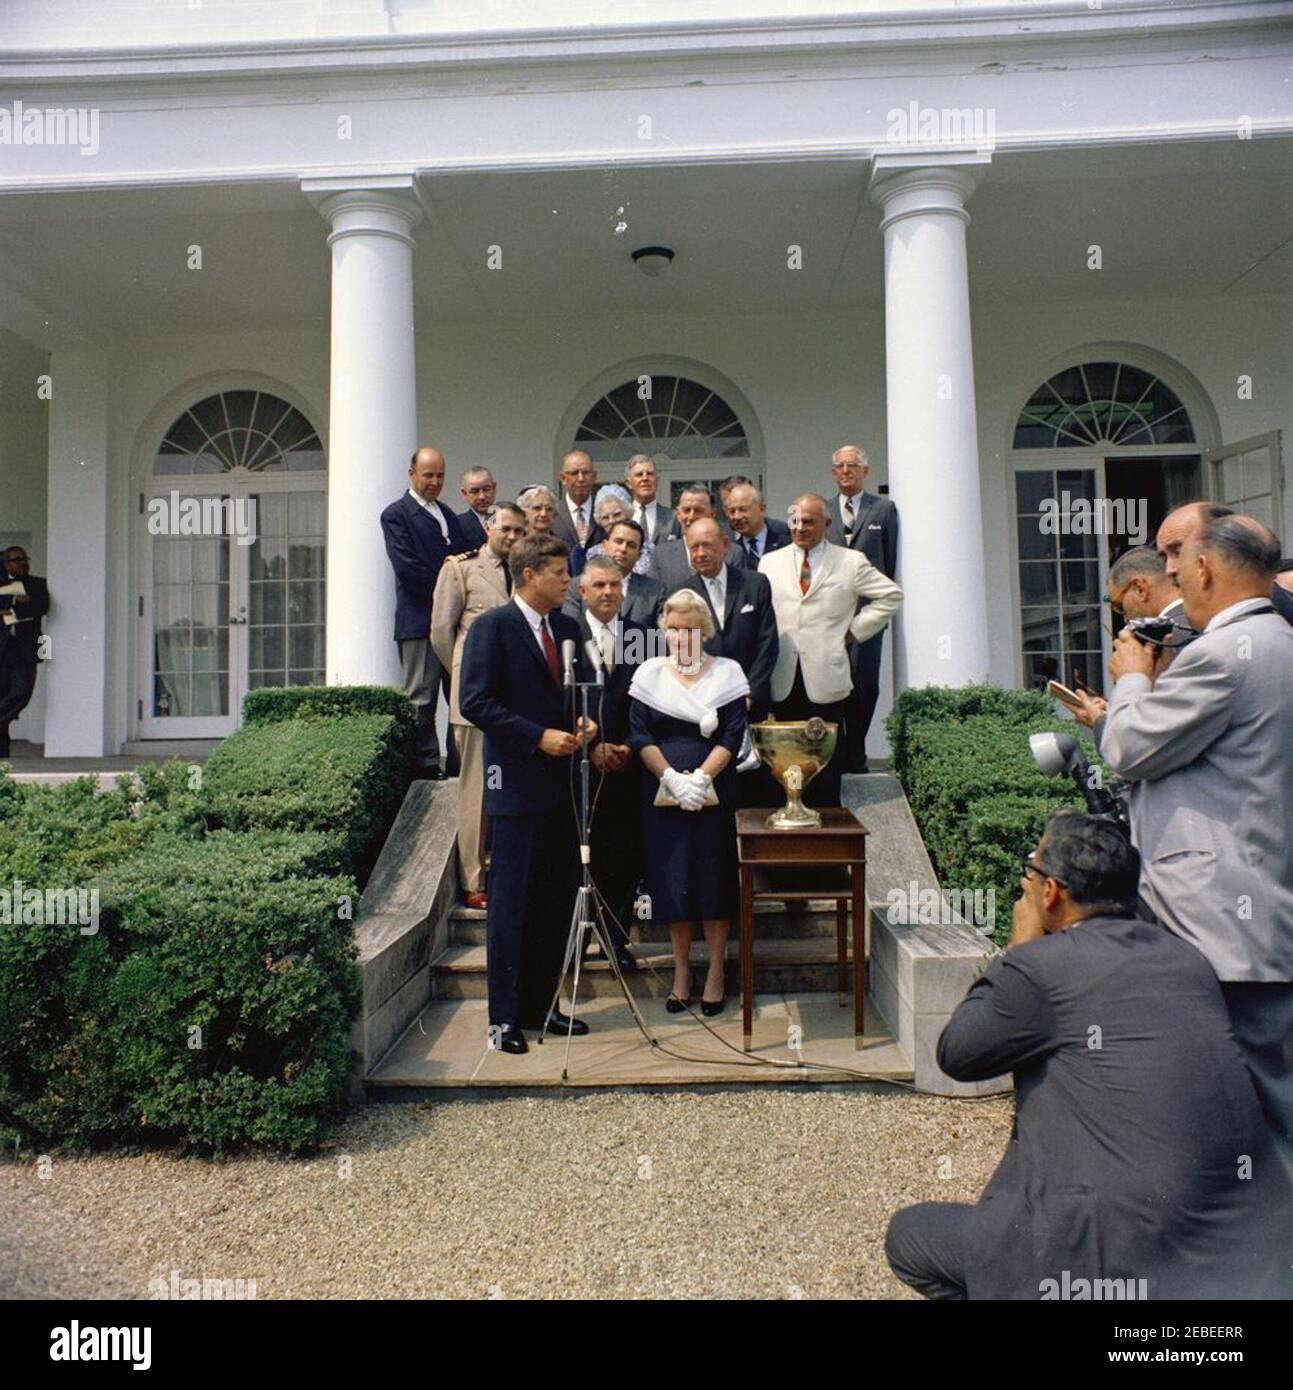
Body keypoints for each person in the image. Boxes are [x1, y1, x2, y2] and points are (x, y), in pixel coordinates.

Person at [885, 812, 1289, 1301]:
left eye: (1030, 874)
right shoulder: (1186, 961)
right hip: (1242, 1252)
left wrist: (1015, 948)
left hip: (1106, 1257)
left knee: (907, 1238)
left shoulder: (1037, 968)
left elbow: (957, 1053)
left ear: (1051, 892)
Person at [1079, 512, 1293, 1150]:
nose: (1170, 575)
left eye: (1178, 563)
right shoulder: (1280, 638)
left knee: (1246, 1110)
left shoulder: (1224, 656)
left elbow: (1126, 748)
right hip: (1259, 917)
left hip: (1222, 922)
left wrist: (1133, 677)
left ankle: (1261, 1242)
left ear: (1205, 569)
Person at [457, 534, 597, 1055]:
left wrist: (581, 722)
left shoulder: (566, 627)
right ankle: (504, 1020)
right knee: (511, 908)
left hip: (562, 790)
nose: (569, 580)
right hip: (514, 789)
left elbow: (575, 693)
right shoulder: (491, 628)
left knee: (554, 904)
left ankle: (544, 1007)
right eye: (560, 572)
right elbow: (475, 701)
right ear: (529, 575)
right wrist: (537, 736)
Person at [629, 589, 749, 1015]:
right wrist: (671, 779)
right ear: (664, 631)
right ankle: (682, 972)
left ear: (705, 632)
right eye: (675, 629)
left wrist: (700, 778)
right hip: (662, 796)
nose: (682, 638)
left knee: (713, 880)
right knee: (674, 881)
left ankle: (716, 970)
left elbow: (733, 735)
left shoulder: (728, 673)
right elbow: (640, 735)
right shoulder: (648, 674)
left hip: (714, 795)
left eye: (691, 630)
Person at [759, 493, 902, 805]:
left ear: (826, 523)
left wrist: (853, 631)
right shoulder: (770, 562)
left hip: (826, 679)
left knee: (824, 770)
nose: (800, 528)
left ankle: (824, 834)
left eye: (808, 521)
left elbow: (890, 596)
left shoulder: (850, 561)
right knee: (782, 768)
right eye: (794, 521)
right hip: (781, 678)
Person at [430, 502, 526, 909]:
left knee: (510, 787)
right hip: (474, 701)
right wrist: (467, 675)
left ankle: (509, 872)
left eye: (518, 531)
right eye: (505, 528)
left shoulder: (526, 573)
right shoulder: (460, 568)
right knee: (476, 791)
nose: (511, 537)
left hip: (516, 702)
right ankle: (474, 878)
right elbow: (440, 631)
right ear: (488, 526)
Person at [576, 555, 649, 973]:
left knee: (624, 856)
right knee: (580, 857)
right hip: (581, 770)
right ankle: (578, 941)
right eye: (599, 585)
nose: (607, 593)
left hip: (629, 765)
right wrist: (592, 748)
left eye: (614, 586)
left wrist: (630, 746)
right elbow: (560, 700)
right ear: (582, 592)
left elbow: (655, 699)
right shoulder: (567, 636)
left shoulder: (642, 637)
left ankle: (616, 940)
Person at [380, 446, 468, 779]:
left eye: (440, 475)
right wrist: (449, 597)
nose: (434, 481)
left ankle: (458, 763)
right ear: (412, 474)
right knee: (422, 697)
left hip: (455, 623)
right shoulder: (396, 514)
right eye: (428, 474)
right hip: (420, 621)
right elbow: (407, 568)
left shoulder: (446, 512)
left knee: (460, 695)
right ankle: (424, 766)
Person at [830, 445, 899, 773]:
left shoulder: (883, 509)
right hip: (830, 616)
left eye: (852, 465)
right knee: (832, 683)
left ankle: (856, 751)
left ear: (865, 471)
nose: (846, 471)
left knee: (865, 684)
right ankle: (838, 752)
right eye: (840, 466)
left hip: (867, 617)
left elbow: (890, 562)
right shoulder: (825, 510)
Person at [676, 517, 777, 719]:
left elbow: (767, 643)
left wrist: (749, 693)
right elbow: (682, 652)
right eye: (694, 547)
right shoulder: (681, 593)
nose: (701, 554)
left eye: (707, 546)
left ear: (725, 545)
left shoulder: (755, 584)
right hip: (704, 706)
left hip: (752, 702)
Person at [564, 519, 663, 629]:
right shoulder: (577, 585)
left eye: (631, 545)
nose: (623, 549)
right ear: (604, 546)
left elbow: (660, 635)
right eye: (618, 541)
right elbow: (569, 629)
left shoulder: (655, 591)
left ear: (638, 556)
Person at [0, 546, 50, 759]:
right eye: (16, 559)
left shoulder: (37, 584)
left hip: (25, 650)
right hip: (2, 650)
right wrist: (13, 602)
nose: (22, 562)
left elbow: (39, 607)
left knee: (20, 694)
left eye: (24, 558)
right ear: (5, 563)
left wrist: (7, 612)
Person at [648, 484, 741, 592]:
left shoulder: (733, 553)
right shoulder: (661, 556)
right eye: (687, 510)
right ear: (678, 514)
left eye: (698, 510)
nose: (691, 517)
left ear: (712, 513)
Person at [724, 482, 789, 571]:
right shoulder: (729, 552)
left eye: (743, 509)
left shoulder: (786, 545)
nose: (737, 517)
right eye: (732, 511)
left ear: (762, 509)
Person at [550, 449, 603, 553]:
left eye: (586, 472)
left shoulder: (605, 511)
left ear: (594, 477)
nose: (581, 478)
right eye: (574, 473)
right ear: (563, 478)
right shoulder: (553, 513)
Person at [625, 453, 673, 545]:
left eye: (650, 474)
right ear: (628, 483)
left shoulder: (673, 518)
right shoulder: (622, 517)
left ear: (657, 481)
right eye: (639, 474)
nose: (645, 478)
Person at [456, 467, 496, 550]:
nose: (482, 496)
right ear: (464, 494)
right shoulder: (457, 525)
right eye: (475, 492)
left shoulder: (508, 519)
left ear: (494, 488)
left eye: (486, 489)